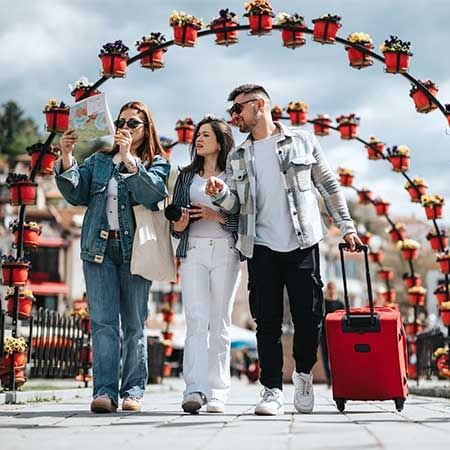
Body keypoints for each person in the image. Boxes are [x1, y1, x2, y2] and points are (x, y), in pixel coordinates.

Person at [205, 84, 361, 415]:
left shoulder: (303, 140)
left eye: (238, 110)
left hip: (303, 240)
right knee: (267, 322)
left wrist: (347, 227)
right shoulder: (237, 155)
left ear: (259, 105)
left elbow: (328, 185)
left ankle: (303, 373)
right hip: (260, 245)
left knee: (309, 316)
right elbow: (234, 206)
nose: (234, 118)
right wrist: (220, 194)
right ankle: (272, 389)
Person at [55, 101, 170, 413]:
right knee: (104, 323)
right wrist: (66, 156)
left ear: (146, 130)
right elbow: (76, 194)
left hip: (136, 252)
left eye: (133, 123)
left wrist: (130, 160)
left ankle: (133, 391)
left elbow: (154, 194)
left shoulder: (156, 162)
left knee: (134, 323)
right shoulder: (98, 161)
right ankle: (105, 392)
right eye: (121, 121)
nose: (125, 127)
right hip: (99, 249)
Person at [170, 116, 241, 414]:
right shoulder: (185, 177)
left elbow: (243, 218)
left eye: (206, 135)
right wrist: (181, 222)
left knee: (220, 322)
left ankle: (219, 392)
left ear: (220, 142)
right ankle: (194, 390)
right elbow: (174, 226)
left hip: (226, 250)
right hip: (193, 252)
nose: (198, 139)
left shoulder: (235, 173)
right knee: (196, 321)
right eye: (197, 135)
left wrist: (215, 215)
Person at [320, 281, 344, 386]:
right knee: (325, 357)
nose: (331, 291)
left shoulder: (340, 304)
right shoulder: (323, 303)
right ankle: (329, 379)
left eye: (333, 288)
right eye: (329, 288)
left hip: (337, 335)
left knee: (338, 357)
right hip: (324, 334)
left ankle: (338, 378)